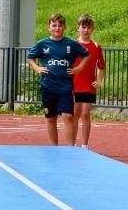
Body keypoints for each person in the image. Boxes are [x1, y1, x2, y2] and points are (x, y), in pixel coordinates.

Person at [26, 14, 89, 146]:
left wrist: (78, 68)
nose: (57, 28)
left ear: (64, 27)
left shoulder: (71, 44)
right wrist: (37, 68)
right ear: (49, 27)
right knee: (51, 118)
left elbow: (86, 55)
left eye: (60, 25)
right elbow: (30, 57)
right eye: (54, 25)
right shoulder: (42, 44)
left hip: (65, 87)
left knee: (68, 116)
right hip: (48, 86)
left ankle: (70, 147)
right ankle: (54, 147)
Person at [72, 14, 106, 149]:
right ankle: (71, 144)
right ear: (78, 28)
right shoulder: (73, 45)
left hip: (88, 85)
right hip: (74, 85)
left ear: (92, 29)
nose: (86, 30)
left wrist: (99, 80)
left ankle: (85, 145)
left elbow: (102, 67)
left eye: (89, 28)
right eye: (83, 27)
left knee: (85, 114)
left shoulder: (96, 46)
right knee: (74, 114)